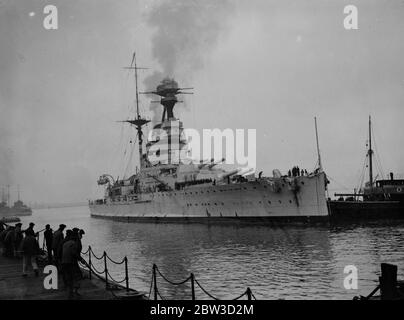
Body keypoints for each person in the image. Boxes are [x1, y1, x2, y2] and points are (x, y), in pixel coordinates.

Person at [61, 230, 80, 299]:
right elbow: (74, 253)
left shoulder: (65, 243)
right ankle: (73, 292)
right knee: (75, 277)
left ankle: (70, 292)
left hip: (64, 262)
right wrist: (80, 259)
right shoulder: (73, 243)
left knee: (68, 278)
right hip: (70, 263)